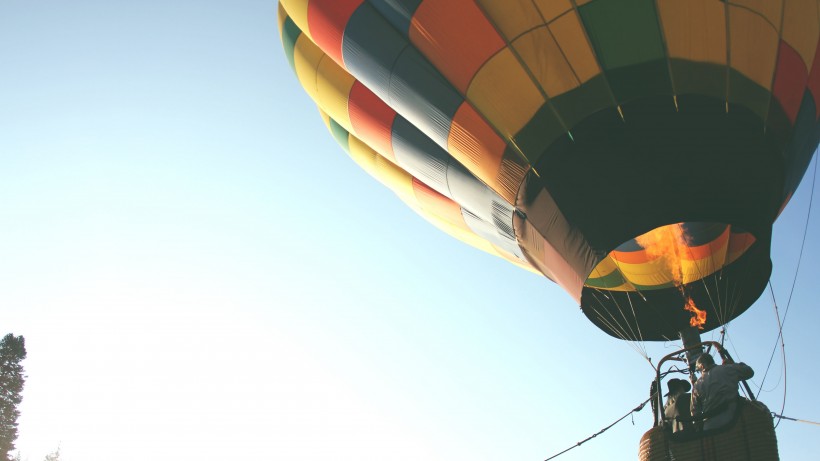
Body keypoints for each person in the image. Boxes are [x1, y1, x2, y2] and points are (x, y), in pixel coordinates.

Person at [692, 353, 754, 431]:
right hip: (735, 420)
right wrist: (732, 364)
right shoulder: (728, 369)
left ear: (702, 366)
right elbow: (749, 372)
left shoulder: (697, 385)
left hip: (710, 428)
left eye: (698, 370)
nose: (699, 372)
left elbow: (695, 412)